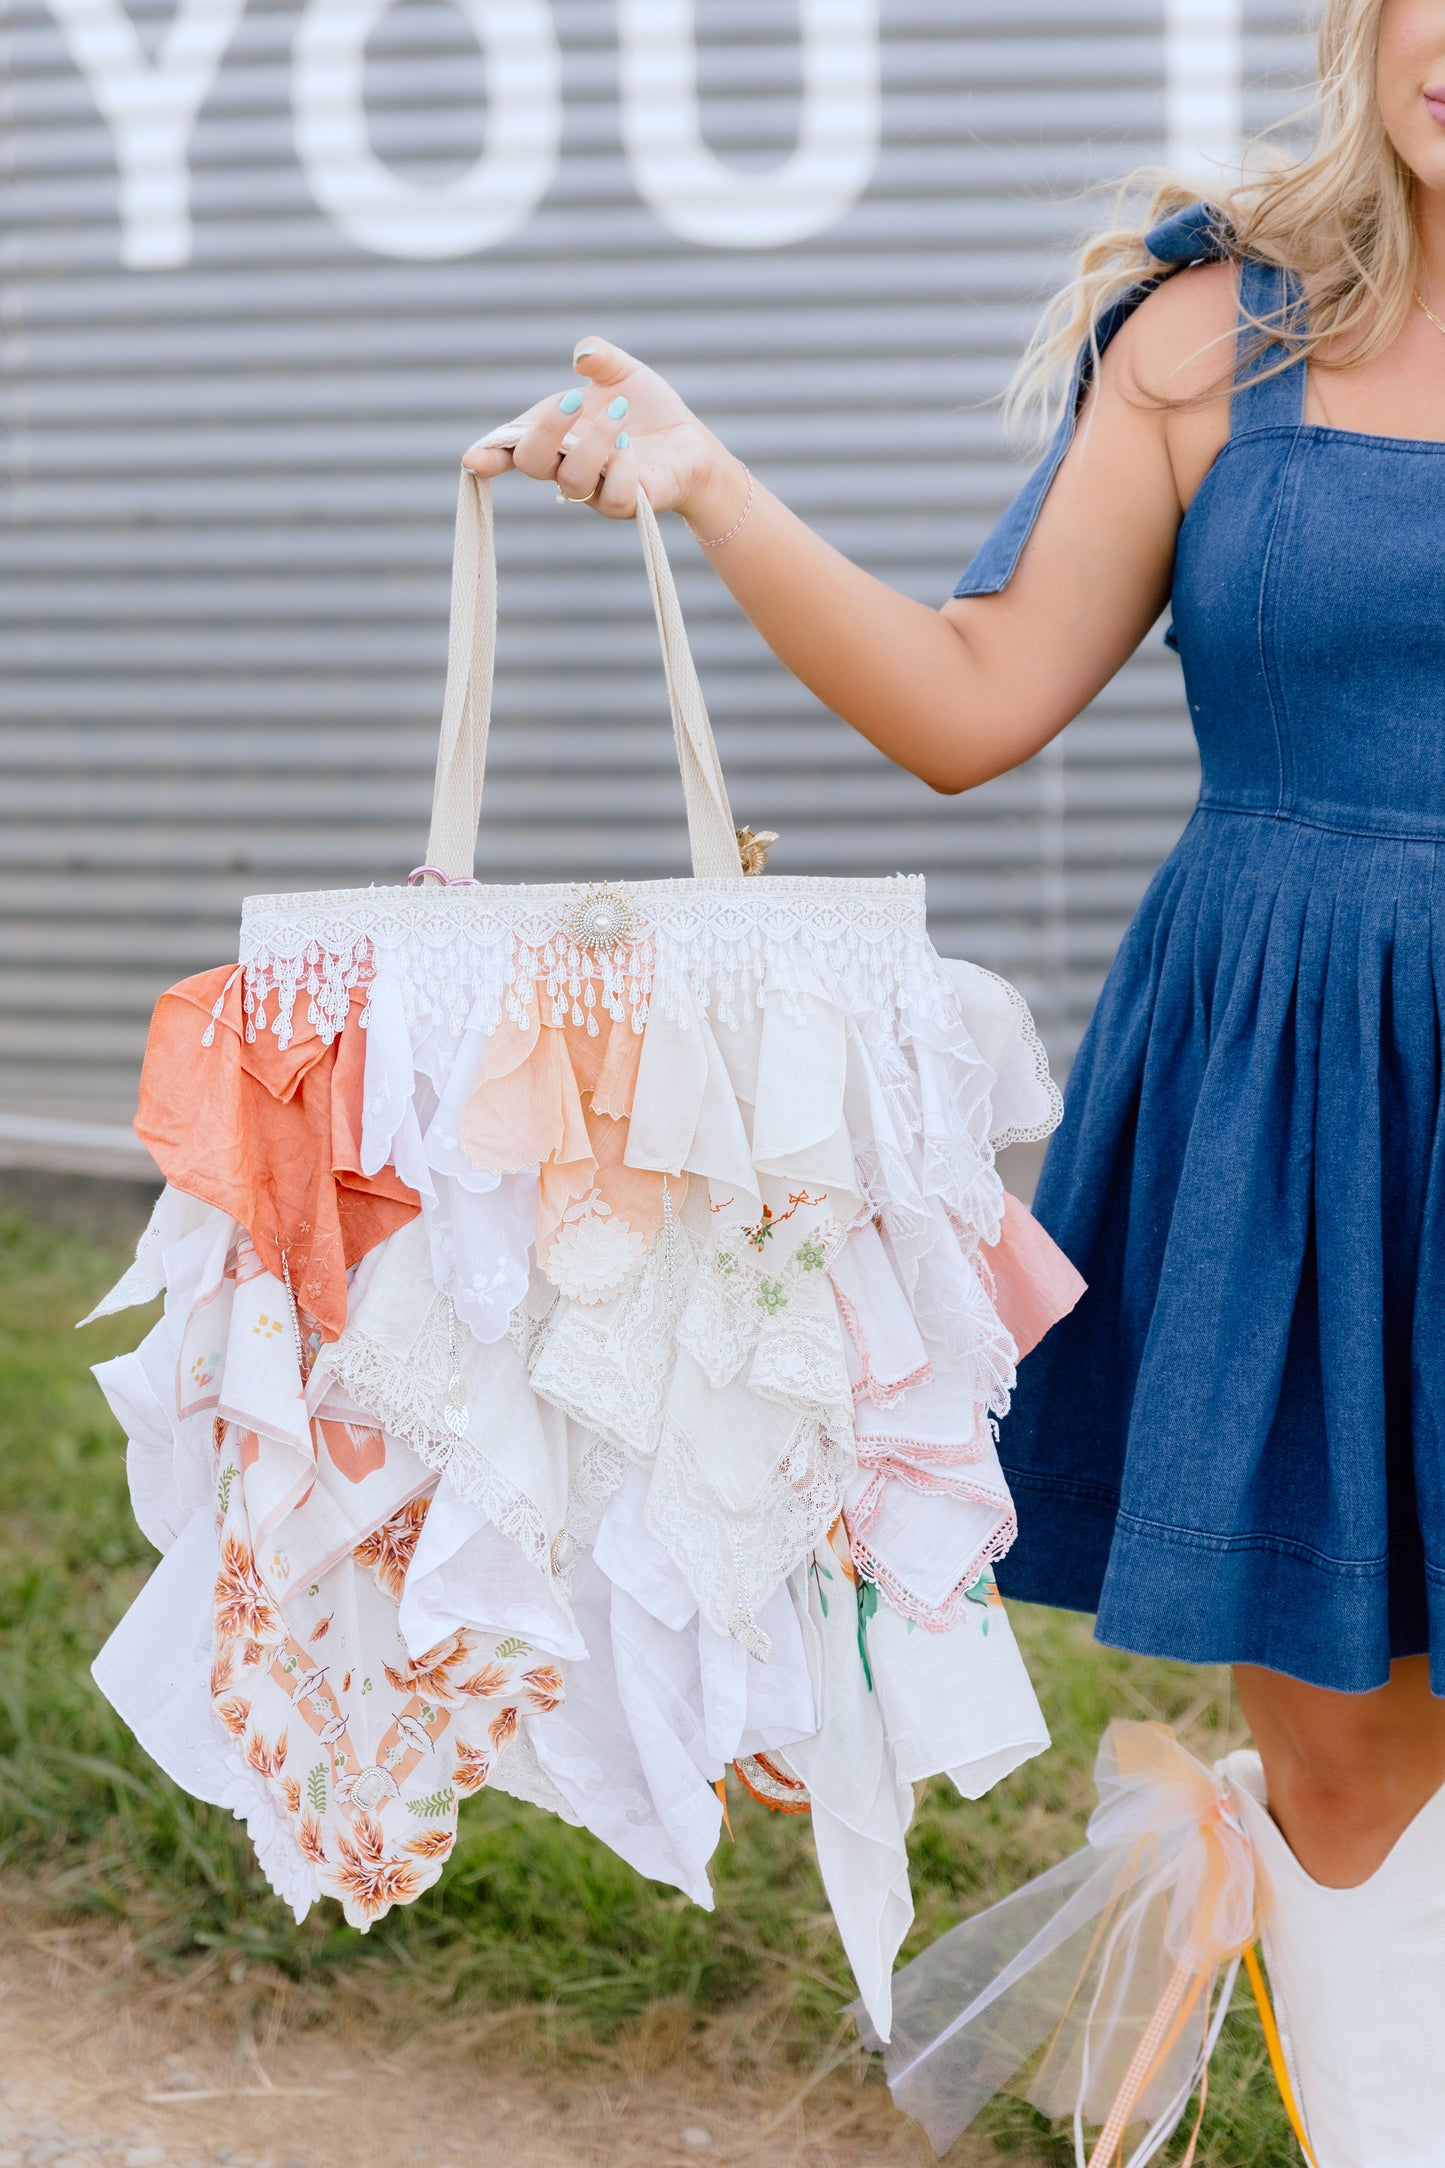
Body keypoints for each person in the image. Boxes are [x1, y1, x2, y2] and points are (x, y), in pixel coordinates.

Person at [465, 0, 1445, 2154]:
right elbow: (975, 691)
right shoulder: (1218, 337)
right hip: (1297, 1107)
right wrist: (710, 481)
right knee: (1355, 1760)